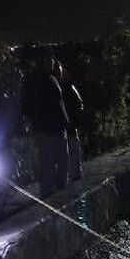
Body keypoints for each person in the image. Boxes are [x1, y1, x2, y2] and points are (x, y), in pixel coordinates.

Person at [21, 51, 70, 196]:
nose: (52, 63)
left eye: (52, 60)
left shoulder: (51, 79)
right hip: (45, 129)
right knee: (48, 163)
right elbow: (28, 105)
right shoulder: (34, 80)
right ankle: (49, 193)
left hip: (58, 127)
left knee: (62, 162)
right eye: (49, 60)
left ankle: (59, 190)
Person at [54, 60, 85, 182]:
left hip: (70, 129)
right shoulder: (54, 87)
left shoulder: (68, 88)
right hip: (59, 130)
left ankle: (73, 177)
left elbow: (79, 105)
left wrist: (75, 121)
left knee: (73, 155)